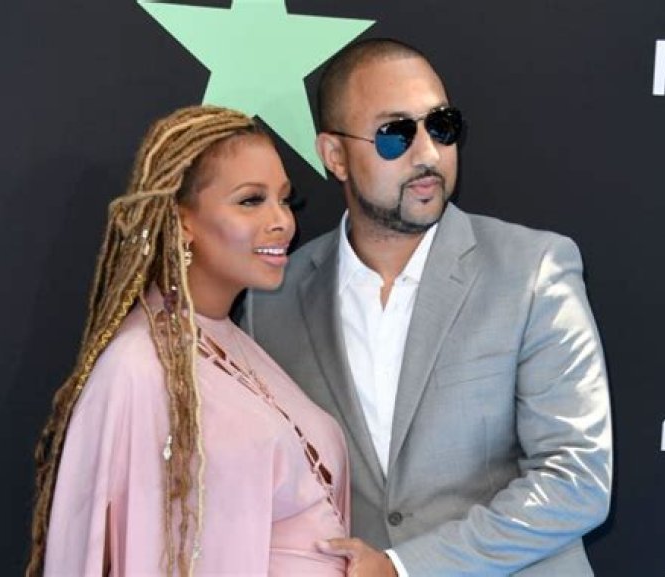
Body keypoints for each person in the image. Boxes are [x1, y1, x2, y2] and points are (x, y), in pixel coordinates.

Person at [242, 38, 612, 576]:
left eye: (441, 126)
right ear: (335, 155)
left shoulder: (533, 271)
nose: (428, 154)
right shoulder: (271, 300)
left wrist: (403, 567)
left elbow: (577, 480)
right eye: (395, 134)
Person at [25, 105, 350, 577]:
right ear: (182, 222)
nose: (282, 221)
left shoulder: (237, 345)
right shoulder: (137, 367)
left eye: (285, 200)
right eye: (251, 200)